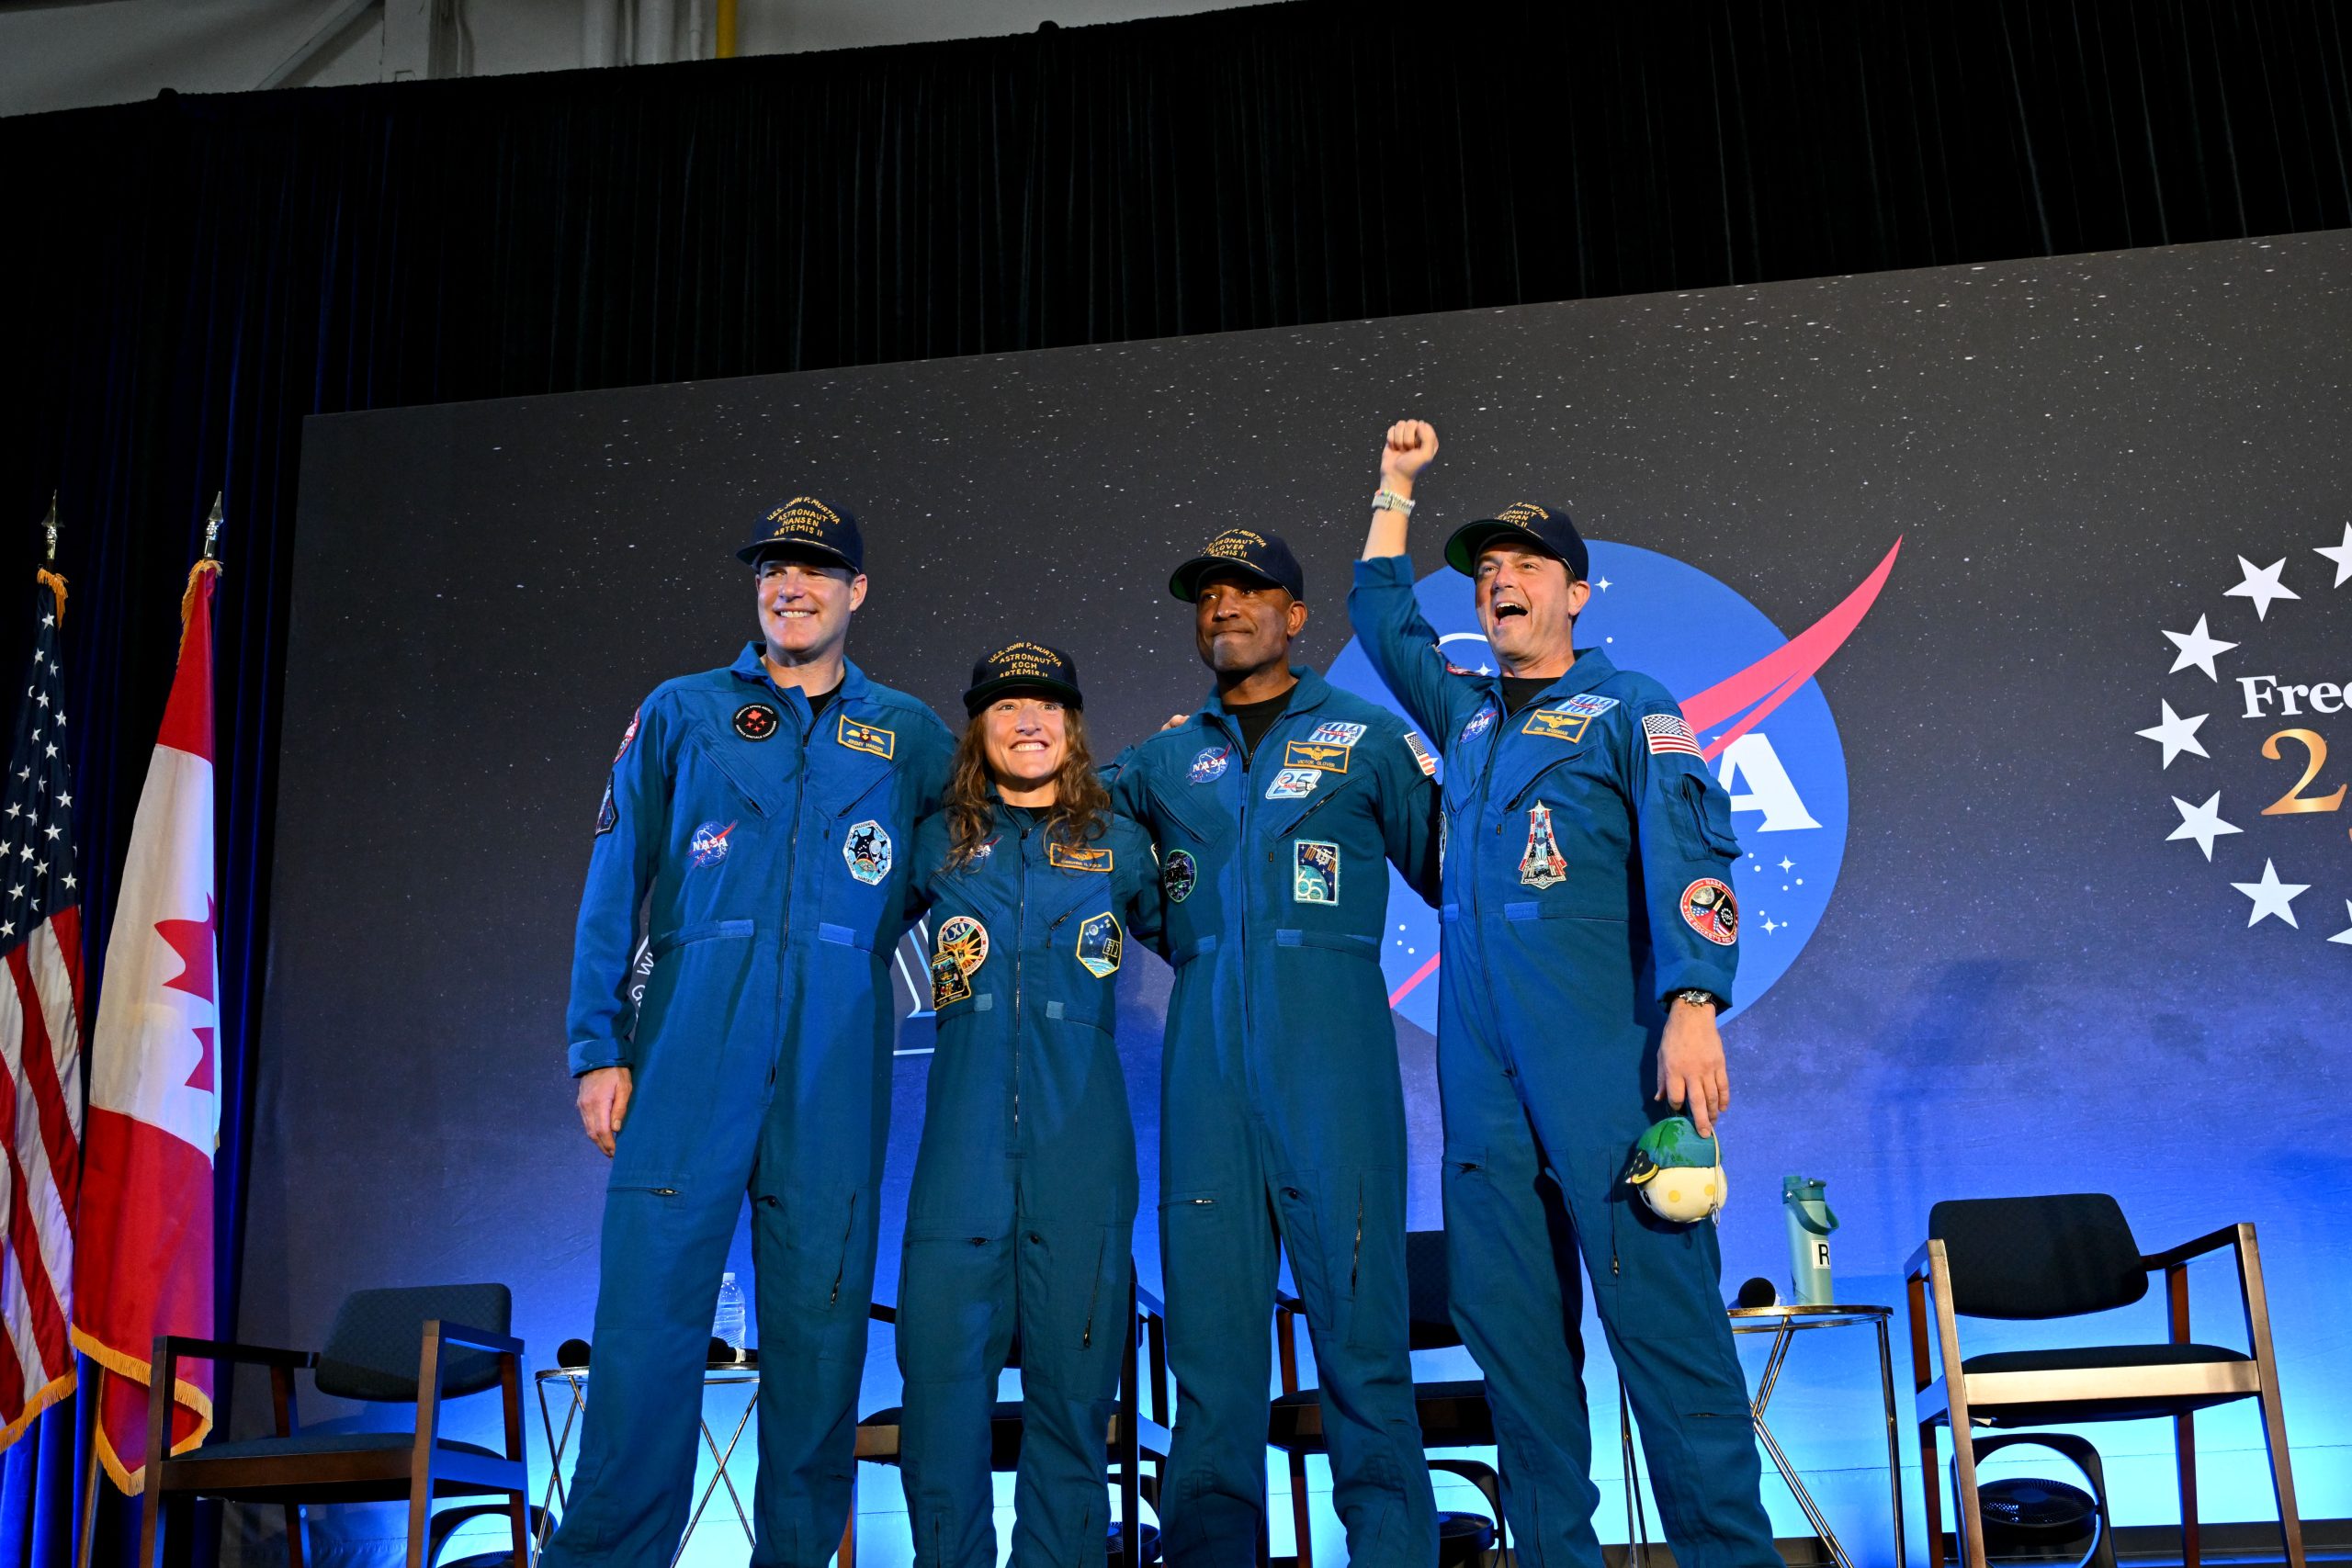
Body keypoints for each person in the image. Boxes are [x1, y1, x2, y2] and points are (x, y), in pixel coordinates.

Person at [1347, 423, 1777, 1568]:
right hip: (1484, 1089)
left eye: (1527, 566)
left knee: (1672, 1342)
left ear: (1575, 595)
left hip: (1607, 1070)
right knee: (1518, 1354)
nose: (1501, 581)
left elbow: (1693, 854)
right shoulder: (1467, 718)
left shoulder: (1629, 706)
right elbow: (1381, 616)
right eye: (1486, 570)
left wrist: (1694, 1004)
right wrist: (1394, 487)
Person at [546, 498, 956, 1568]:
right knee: (646, 1327)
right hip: (692, 1033)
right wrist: (598, 1049)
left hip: (835, 1048)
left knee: (820, 1332)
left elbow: (958, 858)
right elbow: (614, 882)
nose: (791, 586)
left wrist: (855, 938)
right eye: (775, 568)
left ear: (855, 591)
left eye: (815, 569)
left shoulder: (909, 732)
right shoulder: (682, 709)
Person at [1105, 528, 1442, 1567]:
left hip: (1334, 1069)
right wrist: (1200, 944)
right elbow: (1096, 857)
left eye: (1248, 592)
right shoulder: (1160, 761)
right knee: (1211, 1369)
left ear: (1295, 616)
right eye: (1207, 594)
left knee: (1364, 1352)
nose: (1223, 607)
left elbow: (1456, 870)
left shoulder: (1367, 737)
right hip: (1207, 1075)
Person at [893, 640, 1166, 1568]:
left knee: (1073, 1396)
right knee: (940, 1393)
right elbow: (841, 937)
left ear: (1072, 726)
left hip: (1080, 1148)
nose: (1027, 720)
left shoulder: (1119, 844)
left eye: (1046, 704)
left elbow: (1212, 946)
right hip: (960, 1154)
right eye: (1006, 705)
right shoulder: (935, 840)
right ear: (978, 729)